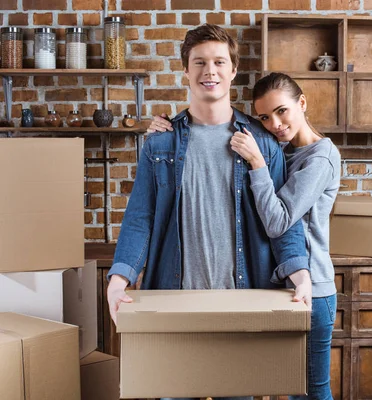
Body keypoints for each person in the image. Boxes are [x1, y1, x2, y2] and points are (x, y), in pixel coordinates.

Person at [106, 25, 312, 400]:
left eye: (219, 62)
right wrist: (119, 278)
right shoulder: (161, 142)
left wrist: (300, 275)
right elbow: (141, 218)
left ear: (233, 70)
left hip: (243, 300)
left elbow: (282, 221)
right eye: (199, 62)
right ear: (185, 70)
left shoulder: (262, 143)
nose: (209, 71)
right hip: (173, 300)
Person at [149, 72, 341, 400]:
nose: (276, 124)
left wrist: (256, 161)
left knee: (311, 390)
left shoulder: (320, 158)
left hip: (314, 288)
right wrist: (161, 129)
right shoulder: (286, 152)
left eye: (282, 111)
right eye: (265, 117)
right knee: (284, 387)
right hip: (283, 289)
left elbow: (278, 222)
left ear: (302, 103)